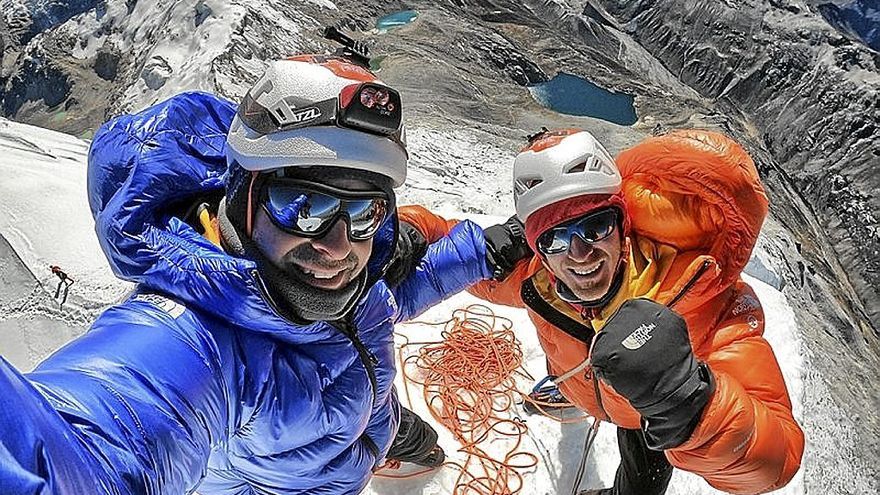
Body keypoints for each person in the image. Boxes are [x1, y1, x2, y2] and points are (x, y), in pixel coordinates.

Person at [0, 55, 495, 493]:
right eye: (303, 205)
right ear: (240, 197)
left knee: (410, 435)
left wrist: (491, 247)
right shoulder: (195, 341)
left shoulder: (335, 279)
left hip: (359, 417)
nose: (339, 246)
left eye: (365, 213)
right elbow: (92, 444)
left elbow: (388, 303)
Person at [399, 128, 805, 494]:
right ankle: (570, 393)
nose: (579, 255)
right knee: (570, 364)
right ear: (534, 245)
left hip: (642, 414)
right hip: (577, 378)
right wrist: (403, 233)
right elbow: (443, 238)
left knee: (638, 487)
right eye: (554, 239)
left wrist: (684, 402)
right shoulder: (533, 278)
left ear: (623, 224)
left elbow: (777, 459)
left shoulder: (698, 296)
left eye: (595, 228)